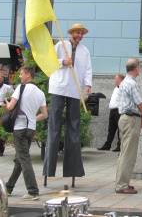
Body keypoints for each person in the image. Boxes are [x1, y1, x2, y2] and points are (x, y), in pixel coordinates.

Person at [43, 23, 92, 180]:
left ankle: (72, 169)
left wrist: (88, 84)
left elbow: (88, 69)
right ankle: (49, 169)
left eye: (82, 33)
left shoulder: (84, 51)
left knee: (73, 127)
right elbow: (50, 62)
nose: (80, 35)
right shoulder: (60, 45)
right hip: (58, 86)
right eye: (78, 32)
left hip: (74, 88)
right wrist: (63, 62)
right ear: (72, 33)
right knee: (54, 126)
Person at [4, 66, 48, 200]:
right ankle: (8, 187)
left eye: (22, 74)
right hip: (30, 129)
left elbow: (11, 107)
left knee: (24, 160)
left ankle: (33, 191)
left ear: (28, 75)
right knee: (20, 158)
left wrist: (6, 103)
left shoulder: (21, 88)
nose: (20, 76)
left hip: (19, 128)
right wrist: (32, 119)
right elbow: (45, 114)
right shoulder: (40, 93)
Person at [115, 58, 142, 194]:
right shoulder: (132, 84)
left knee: (124, 153)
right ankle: (122, 185)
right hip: (131, 119)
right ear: (137, 68)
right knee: (128, 154)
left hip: (124, 118)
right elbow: (140, 104)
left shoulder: (124, 82)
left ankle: (122, 182)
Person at [97, 73, 124, 152]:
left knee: (120, 129)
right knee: (111, 129)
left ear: (120, 79)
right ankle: (107, 145)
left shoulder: (123, 88)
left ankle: (119, 145)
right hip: (112, 110)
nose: (114, 80)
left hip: (118, 110)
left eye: (115, 78)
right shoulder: (116, 88)